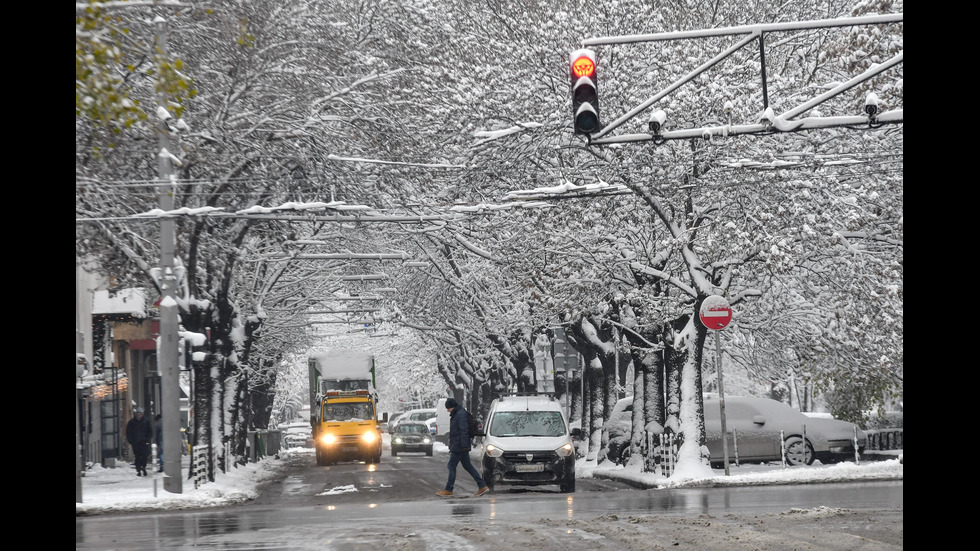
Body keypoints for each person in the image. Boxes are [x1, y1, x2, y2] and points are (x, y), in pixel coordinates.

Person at [436, 398, 489, 497]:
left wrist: (464, 445)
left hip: (459, 446)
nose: (448, 410)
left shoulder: (460, 415)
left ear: (453, 406)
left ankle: (449, 489)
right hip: (460, 445)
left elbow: (463, 430)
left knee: (451, 466)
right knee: (468, 466)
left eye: (448, 408)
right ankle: (482, 485)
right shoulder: (458, 413)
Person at [126, 407, 153, 476]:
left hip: (144, 442)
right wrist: (130, 440)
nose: (139, 415)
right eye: (137, 413)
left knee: (144, 456)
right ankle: (138, 470)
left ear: (142, 414)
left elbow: (150, 431)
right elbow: (128, 432)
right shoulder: (132, 422)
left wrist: (148, 439)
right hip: (135, 442)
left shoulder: (146, 422)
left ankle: (143, 467)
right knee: (137, 456)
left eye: (140, 414)